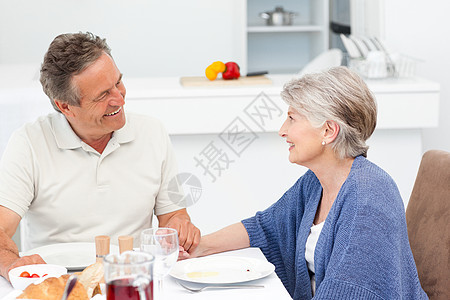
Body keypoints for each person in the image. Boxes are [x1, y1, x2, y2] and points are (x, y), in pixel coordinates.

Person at [188, 67, 427, 299]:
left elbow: (347, 291)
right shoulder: (315, 182)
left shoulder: (368, 196)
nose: (282, 130)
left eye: (292, 118)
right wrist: (198, 248)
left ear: (328, 130)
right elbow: (266, 228)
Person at [0, 32, 200, 281]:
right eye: (103, 95)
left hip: (130, 278)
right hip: (56, 283)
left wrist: (180, 227)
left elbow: (174, 215)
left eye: (118, 82)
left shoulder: (153, 132)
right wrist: (11, 264)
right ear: (65, 106)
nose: (119, 98)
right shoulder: (29, 142)